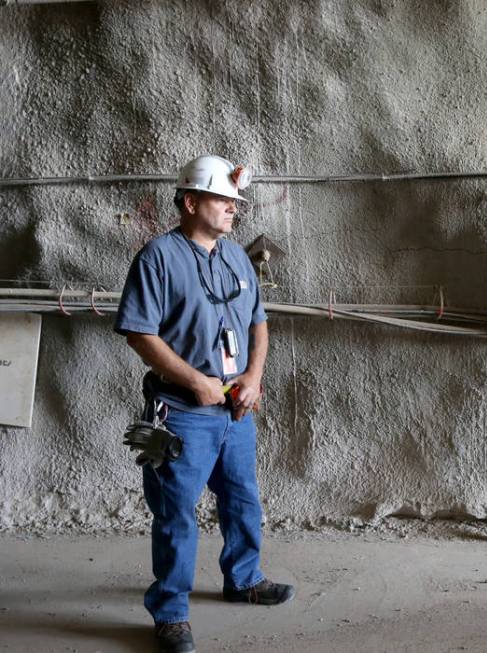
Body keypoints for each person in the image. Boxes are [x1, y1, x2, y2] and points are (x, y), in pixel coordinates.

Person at [115, 154, 294, 653]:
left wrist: (254, 378)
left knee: (242, 499)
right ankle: (170, 613)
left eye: (235, 202)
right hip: (183, 411)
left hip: (235, 408)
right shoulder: (158, 257)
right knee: (175, 513)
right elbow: (139, 332)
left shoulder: (236, 257)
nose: (233, 208)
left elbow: (259, 322)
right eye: (222, 199)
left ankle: (243, 579)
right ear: (191, 202)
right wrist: (195, 380)